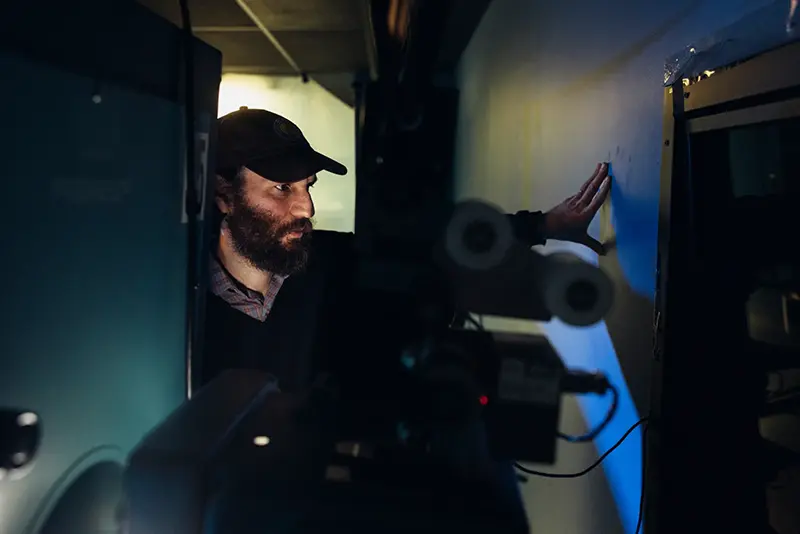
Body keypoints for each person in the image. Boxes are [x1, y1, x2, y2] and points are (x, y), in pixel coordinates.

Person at [201, 108, 611, 391]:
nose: (306, 208)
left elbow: (431, 248)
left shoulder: (327, 261)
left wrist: (542, 225)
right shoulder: (188, 314)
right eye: (281, 188)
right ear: (223, 195)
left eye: (308, 186)